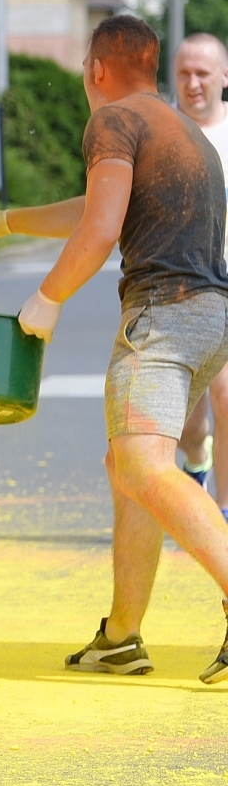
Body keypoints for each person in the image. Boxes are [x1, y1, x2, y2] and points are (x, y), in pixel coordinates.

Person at [0, 15, 228, 685]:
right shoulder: (179, 129)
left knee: (140, 461)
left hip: (164, 314)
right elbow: (101, 205)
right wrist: (3, 222)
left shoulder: (114, 120)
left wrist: (45, 299)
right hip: (211, 317)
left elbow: (101, 230)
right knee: (132, 463)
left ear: (95, 70)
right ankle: (122, 635)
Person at [174, 34, 228, 512]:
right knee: (189, 427)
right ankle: (197, 462)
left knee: (227, 396)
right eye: (184, 73)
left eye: (203, 73)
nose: (193, 83)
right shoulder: (159, 133)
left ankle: (223, 515)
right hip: (176, 295)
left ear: (223, 78)